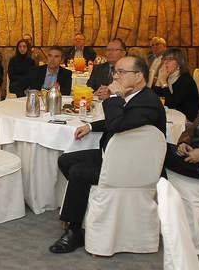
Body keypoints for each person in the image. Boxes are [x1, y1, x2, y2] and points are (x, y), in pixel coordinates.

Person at [49, 56, 166, 254]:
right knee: (66, 160)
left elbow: (116, 124)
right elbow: (124, 121)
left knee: (79, 172)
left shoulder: (148, 102)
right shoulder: (135, 96)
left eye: (121, 72)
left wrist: (113, 97)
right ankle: (85, 202)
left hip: (136, 166)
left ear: (139, 76)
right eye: (115, 71)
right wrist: (90, 126)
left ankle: (75, 230)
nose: (115, 76)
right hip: (118, 156)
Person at [152, 48, 199, 121]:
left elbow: (171, 104)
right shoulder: (168, 77)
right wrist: (159, 79)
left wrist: (163, 82)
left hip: (188, 121)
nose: (165, 62)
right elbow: (155, 99)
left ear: (179, 63)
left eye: (170, 59)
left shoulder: (186, 80)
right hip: (172, 117)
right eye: (165, 59)